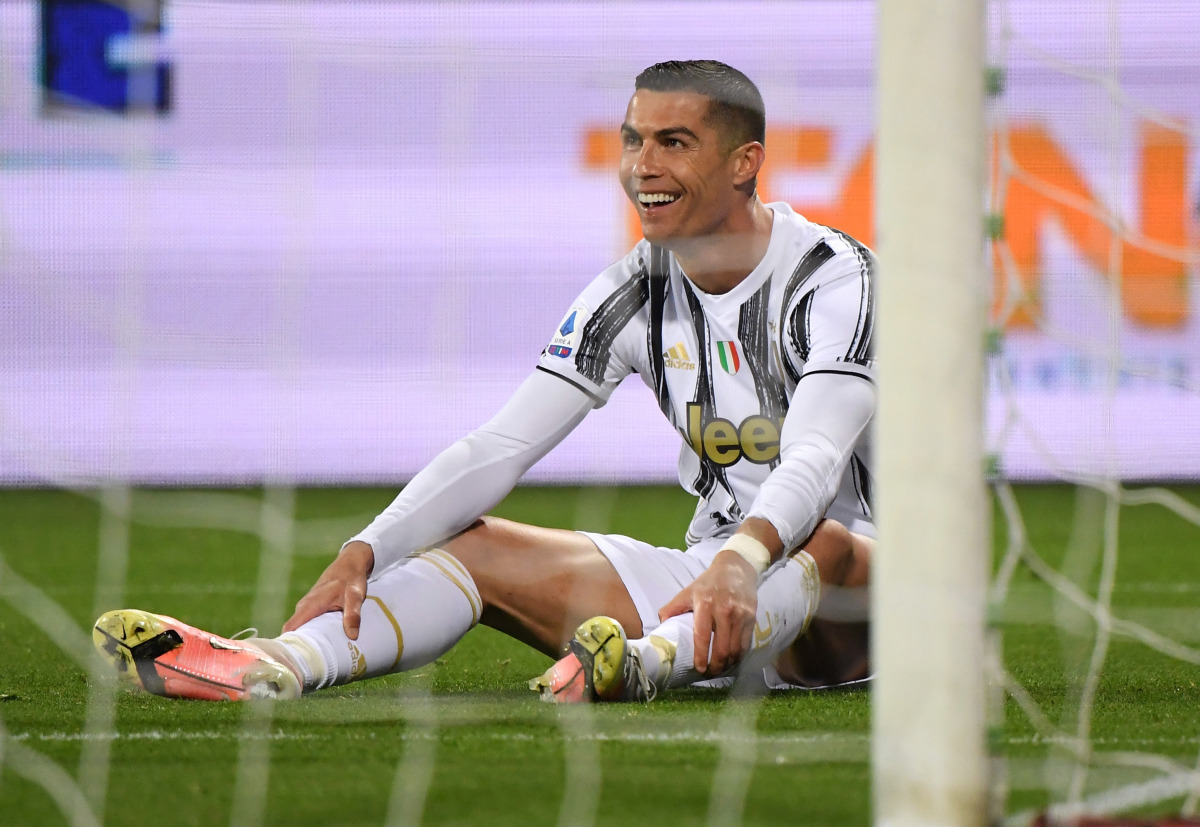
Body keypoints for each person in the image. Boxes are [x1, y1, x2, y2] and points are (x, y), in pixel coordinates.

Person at [92, 59, 876, 705]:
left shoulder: (833, 280)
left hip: (873, 601)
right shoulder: (630, 292)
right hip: (716, 589)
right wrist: (368, 545)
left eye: (674, 142)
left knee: (833, 542)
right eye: (634, 140)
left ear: (745, 163)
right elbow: (502, 444)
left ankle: (642, 665)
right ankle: (277, 664)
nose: (643, 166)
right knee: (475, 543)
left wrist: (741, 560)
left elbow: (812, 457)